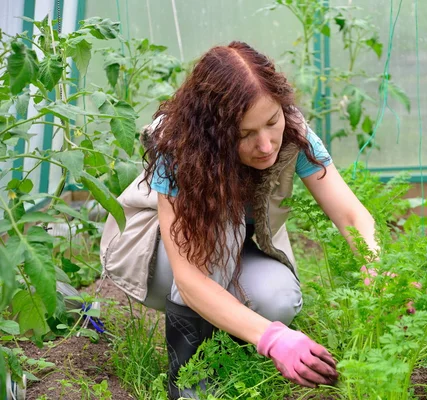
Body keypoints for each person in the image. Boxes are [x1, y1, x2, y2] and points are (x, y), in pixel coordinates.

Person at [138, 41, 378, 399]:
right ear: (212, 133)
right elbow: (188, 278)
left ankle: (228, 336)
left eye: (271, 122)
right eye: (245, 134)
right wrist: (273, 338)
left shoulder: (293, 131)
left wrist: (377, 270)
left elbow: (350, 213)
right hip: (161, 259)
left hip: (237, 248)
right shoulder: (180, 150)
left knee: (277, 298)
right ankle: (187, 383)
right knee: (219, 236)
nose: (266, 145)